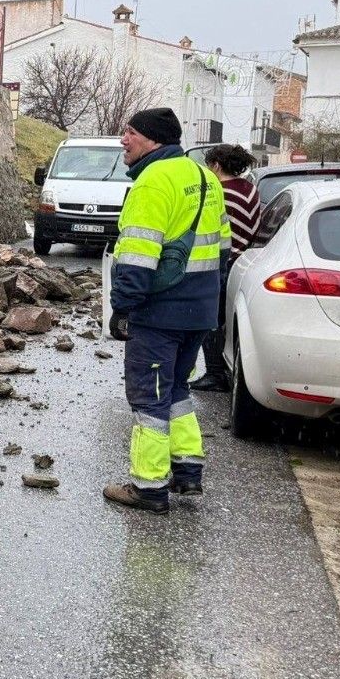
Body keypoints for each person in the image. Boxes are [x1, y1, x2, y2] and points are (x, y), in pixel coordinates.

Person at [104, 108, 229, 513]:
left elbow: (139, 257)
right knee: (176, 389)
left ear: (152, 140)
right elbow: (223, 250)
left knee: (149, 399)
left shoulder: (153, 182)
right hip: (200, 310)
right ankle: (188, 470)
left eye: (129, 132)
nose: (123, 140)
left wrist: (122, 308)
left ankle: (148, 487)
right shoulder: (204, 178)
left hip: (160, 314)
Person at [188, 144, 260, 393]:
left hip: (227, 263)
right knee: (223, 319)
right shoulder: (249, 188)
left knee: (212, 319)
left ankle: (215, 373)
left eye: (209, 165)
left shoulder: (221, 192)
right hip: (244, 259)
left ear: (216, 165)